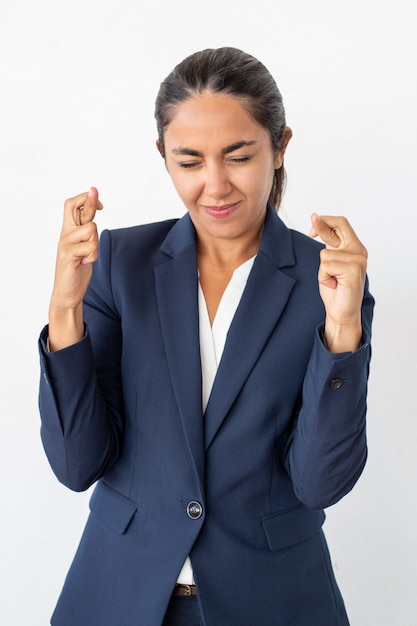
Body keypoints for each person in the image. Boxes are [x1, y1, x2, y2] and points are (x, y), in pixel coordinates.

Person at [38, 46, 374, 626]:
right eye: (189, 161)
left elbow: (320, 482)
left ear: (280, 145)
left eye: (238, 156)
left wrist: (341, 330)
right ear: (163, 157)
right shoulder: (118, 264)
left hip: (273, 601)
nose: (214, 186)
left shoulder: (329, 280)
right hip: (121, 595)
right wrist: (66, 308)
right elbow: (77, 464)